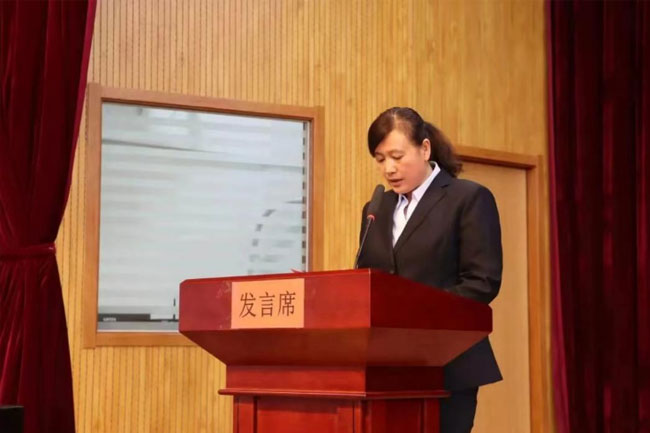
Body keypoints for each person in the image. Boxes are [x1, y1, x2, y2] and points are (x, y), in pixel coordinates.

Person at [356, 107, 503, 433]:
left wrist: (414, 316)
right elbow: (369, 279)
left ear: (424, 149)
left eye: (397, 156)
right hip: (388, 367)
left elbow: (481, 282)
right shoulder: (376, 208)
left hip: (448, 363)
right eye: (380, 159)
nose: (389, 169)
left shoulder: (468, 198)